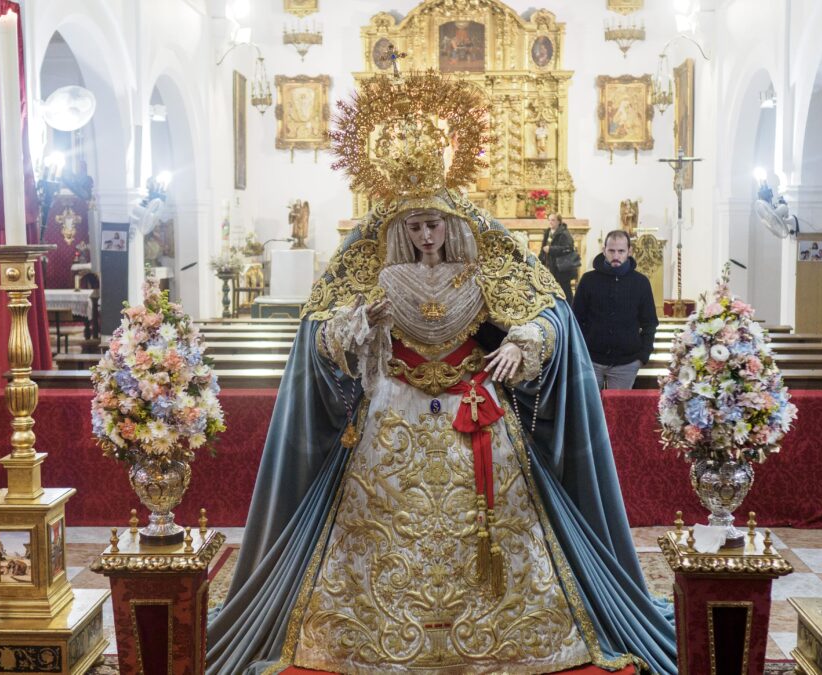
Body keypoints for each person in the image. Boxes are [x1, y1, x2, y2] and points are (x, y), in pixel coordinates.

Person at [205, 71, 675, 675]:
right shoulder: (372, 268)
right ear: (400, 228)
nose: (426, 236)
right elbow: (319, 335)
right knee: (381, 532)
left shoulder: (487, 266)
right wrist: (359, 325)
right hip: (391, 419)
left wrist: (524, 344)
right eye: (414, 227)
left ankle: (505, 632)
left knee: (495, 531)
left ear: (451, 222)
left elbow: (549, 316)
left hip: (474, 415)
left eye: (434, 224)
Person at [573, 230, 658, 390]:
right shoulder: (588, 280)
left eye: (621, 251)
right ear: (604, 250)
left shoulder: (640, 282)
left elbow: (650, 322)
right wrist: (580, 352)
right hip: (591, 359)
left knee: (618, 412)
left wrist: (643, 356)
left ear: (629, 251)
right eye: (611, 251)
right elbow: (576, 319)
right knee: (590, 411)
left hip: (627, 362)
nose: (616, 256)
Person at [539, 213, 578, 300]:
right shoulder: (548, 232)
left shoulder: (564, 233)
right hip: (551, 265)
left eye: (553, 220)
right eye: (549, 220)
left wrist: (551, 249)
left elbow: (568, 248)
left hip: (562, 267)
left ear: (559, 222)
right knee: (552, 288)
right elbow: (543, 248)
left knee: (565, 289)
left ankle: (570, 308)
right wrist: (539, 260)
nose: (550, 222)